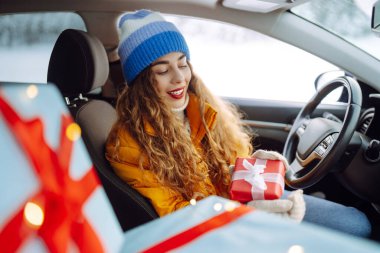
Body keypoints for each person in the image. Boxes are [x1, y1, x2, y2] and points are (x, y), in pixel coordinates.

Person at [105, 9, 371, 237]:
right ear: (141, 83)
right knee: (355, 228)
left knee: (356, 223)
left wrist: (252, 167)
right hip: (215, 227)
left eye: (183, 64)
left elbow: (228, 165)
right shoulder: (127, 145)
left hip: (240, 205)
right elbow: (177, 215)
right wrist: (242, 214)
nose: (179, 78)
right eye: (162, 71)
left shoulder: (200, 107)